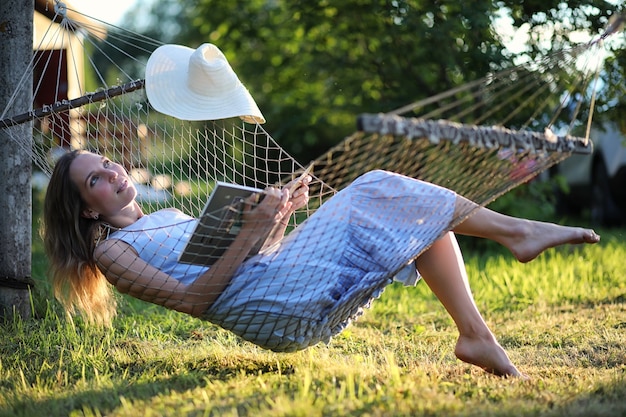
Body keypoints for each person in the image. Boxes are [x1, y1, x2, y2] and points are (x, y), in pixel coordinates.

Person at [42, 149, 600, 378]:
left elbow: (252, 256)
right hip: (275, 309)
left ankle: (476, 337)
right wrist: (254, 235)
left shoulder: (164, 215)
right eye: (96, 180)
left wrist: (279, 217)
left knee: (409, 214)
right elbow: (195, 301)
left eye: (110, 164)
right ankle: (519, 233)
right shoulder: (111, 253)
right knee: (379, 188)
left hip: (276, 280)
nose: (114, 175)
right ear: (84, 206)